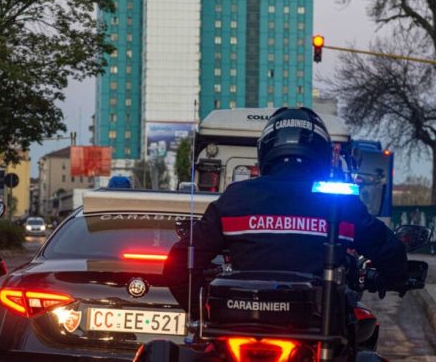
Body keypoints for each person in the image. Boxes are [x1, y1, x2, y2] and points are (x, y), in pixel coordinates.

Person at [163, 106, 408, 315]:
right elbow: (389, 250)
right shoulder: (340, 202)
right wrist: (396, 277)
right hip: (318, 331)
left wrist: (206, 313)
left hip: (240, 326)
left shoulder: (235, 198)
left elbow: (177, 266)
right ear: (322, 153)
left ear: (265, 151)